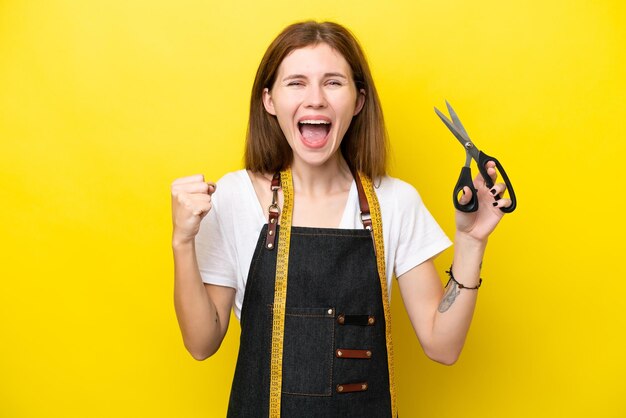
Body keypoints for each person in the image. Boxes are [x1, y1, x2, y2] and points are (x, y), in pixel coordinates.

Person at [170, 21, 511, 418]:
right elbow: (201, 343)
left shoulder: (395, 202)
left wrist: (471, 242)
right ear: (268, 100)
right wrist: (181, 241)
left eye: (333, 83)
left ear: (359, 100)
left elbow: (443, 346)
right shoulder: (232, 197)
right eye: (296, 82)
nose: (315, 99)